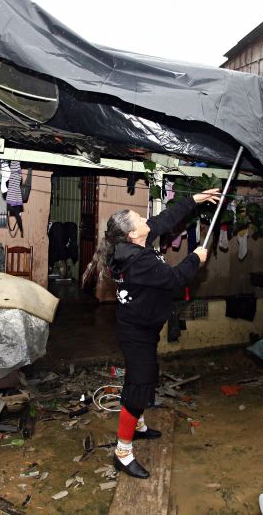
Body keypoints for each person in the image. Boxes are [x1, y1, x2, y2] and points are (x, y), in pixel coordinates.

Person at [82, 188, 221, 479]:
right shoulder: (137, 261)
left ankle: (139, 426)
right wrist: (195, 258)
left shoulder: (133, 244)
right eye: (140, 219)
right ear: (133, 235)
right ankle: (122, 451)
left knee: (147, 377)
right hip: (136, 333)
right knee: (137, 387)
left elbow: (165, 219)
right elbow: (173, 279)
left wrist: (195, 199)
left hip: (143, 325)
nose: (147, 219)